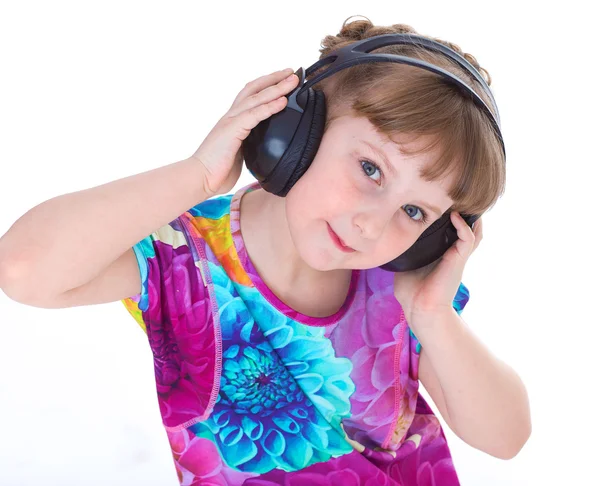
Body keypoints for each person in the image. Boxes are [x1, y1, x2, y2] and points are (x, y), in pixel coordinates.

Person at [0, 16, 531, 486]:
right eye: (370, 169)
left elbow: (506, 438)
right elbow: (23, 269)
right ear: (296, 132)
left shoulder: (402, 290)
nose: (372, 226)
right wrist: (197, 175)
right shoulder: (184, 256)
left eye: (415, 213)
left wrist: (435, 317)